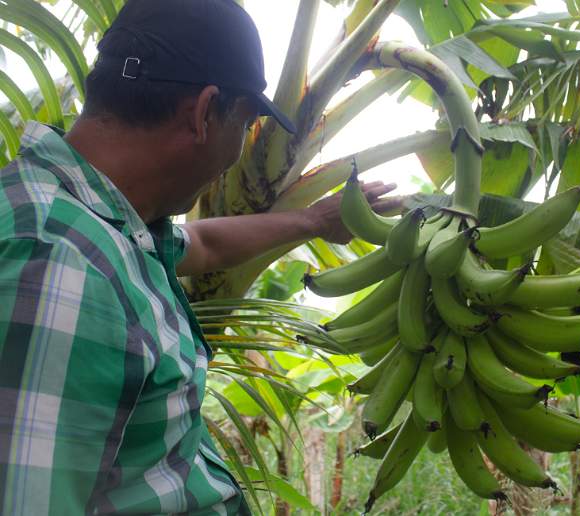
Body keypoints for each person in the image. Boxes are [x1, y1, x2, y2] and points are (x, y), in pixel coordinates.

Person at [0, 0, 399, 514]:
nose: (237, 153)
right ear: (204, 112)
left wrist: (316, 221)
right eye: (245, 124)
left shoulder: (96, 216)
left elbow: (204, 243)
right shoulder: (59, 263)